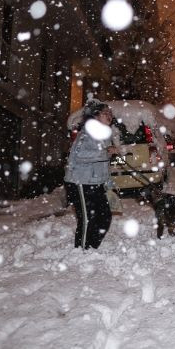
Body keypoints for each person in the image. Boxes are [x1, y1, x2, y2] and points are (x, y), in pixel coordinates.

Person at [63, 100, 118, 250]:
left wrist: (108, 183)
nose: (109, 115)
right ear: (95, 116)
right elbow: (80, 154)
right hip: (80, 182)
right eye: (105, 113)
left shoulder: (104, 135)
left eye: (110, 113)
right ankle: (82, 250)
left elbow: (102, 163)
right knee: (88, 219)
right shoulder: (87, 133)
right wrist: (106, 152)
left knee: (104, 217)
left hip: (96, 183)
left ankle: (91, 247)